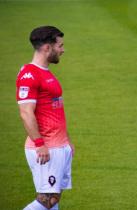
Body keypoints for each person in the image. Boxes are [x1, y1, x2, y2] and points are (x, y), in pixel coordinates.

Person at [16, 26, 74, 210]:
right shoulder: (29, 74)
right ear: (47, 47)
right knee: (47, 200)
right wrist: (39, 143)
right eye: (60, 46)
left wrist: (67, 141)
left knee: (53, 199)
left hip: (58, 144)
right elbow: (26, 112)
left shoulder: (46, 72)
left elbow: (55, 110)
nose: (63, 50)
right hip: (46, 147)